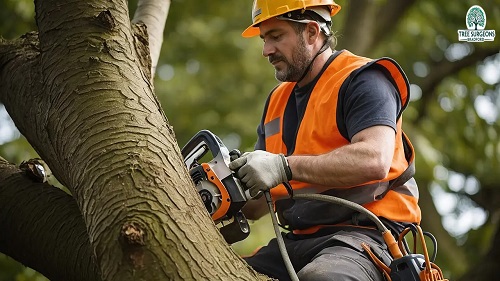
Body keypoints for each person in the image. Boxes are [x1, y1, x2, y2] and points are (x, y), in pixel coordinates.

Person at [228, 0, 422, 280]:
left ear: (310, 32)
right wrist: (220, 192)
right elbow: (259, 203)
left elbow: (374, 160)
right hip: (297, 242)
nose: (266, 50)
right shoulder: (276, 102)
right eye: (263, 39)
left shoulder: (363, 79)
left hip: (368, 238)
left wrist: (284, 167)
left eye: (276, 36)